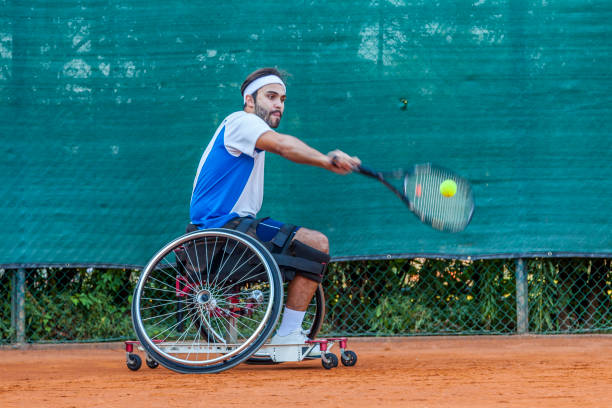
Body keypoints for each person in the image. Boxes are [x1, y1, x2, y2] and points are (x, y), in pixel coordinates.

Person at [189, 67, 360, 346]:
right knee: (315, 243)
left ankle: (289, 334)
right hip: (222, 228)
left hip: (233, 228)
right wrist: (326, 160)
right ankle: (288, 336)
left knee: (309, 247)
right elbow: (282, 145)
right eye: (271, 96)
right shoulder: (241, 122)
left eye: (282, 99)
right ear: (249, 100)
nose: (278, 104)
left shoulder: (246, 132)